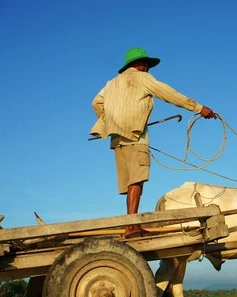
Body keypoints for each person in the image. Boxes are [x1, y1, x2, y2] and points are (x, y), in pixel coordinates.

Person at [90, 48, 217, 238]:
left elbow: (96, 103)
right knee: (137, 179)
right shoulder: (143, 78)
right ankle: (131, 226)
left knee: (130, 182)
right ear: (140, 64)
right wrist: (198, 108)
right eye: (146, 64)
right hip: (135, 135)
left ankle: (129, 223)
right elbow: (169, 94)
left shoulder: (111, 84)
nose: (147, 68)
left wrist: (115, 121)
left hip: (117, 138)